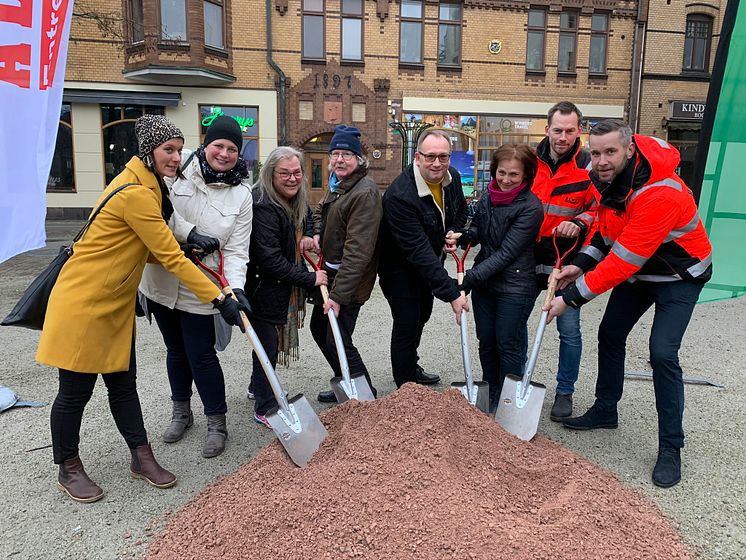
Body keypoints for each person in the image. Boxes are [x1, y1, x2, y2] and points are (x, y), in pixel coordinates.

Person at [36, 115, 246, 503]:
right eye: (168, 149)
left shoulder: (151, 185)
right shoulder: (136, 192)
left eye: (179, 149)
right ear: (147, 151)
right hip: (85, 302)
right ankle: (68, 467)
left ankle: (141, 457)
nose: (176, 157)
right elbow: (168, 257)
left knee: (123, 385)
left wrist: (187, 246)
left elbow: (149, 246)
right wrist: (219, 297)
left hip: (113, 302)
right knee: (74, 393)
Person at [545, 119, 713, 488]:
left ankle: (671, 446)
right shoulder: (602, 177)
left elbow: (624, 261)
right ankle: (606, 409)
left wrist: (570, 299)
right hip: (642, 272)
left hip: (678, 275)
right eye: (597, 152)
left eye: (611, 152)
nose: (601, 160)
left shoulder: (659, 192)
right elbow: (606, 235)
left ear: (629, 150)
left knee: (662, 353)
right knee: (610, 333)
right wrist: (580, 264)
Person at [139, 115, 253, 458]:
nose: (224, 153)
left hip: (203, 285)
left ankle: (216, 422)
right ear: (205, 144)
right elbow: (159, 213)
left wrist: (236, 289)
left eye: (232, 148)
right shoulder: (178, 166)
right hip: (162, 280)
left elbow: (236, 250)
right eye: (218, 145)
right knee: (175, 350)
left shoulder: (242, 193)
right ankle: (181, 412)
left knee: (201, 354)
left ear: (239, 154)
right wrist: (189, 233)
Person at [449, 144, 543, 413]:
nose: (506, 180)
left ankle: (510, 401)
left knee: (507, 342)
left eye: (514, 175)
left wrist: (468, 279)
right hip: (486, 285)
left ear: (525, 176)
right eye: (502, 172)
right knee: (486, 340)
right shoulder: (489, 196)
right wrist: (467, 235)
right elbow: (480, 226)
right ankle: (491, 392)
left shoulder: (531, 207)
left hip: (515, 285)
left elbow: (507, 253)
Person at [379, 129, 469, 388]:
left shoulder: (453, 178)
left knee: (423, 316)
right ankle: (405, 387)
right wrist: (452, 294)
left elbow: (461, 210)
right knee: (407, 321)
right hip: (399, 269)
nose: (437, 163)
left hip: (430, 263)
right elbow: (418, 251)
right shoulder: (400, 195)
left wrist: (452, 230)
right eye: (430, 157)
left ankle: (411, 366)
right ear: (417, 157)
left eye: (443, 156)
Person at [245, 146, 327, 425]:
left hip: (278, 286)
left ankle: (258, 385)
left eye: (297, 172)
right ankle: (265, 406)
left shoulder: (294, 198)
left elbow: (309, 216)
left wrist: (310, 235)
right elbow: (269, 260)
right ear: (270, 174)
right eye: (285, 173)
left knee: (266, 341)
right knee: (266, 343)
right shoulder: (263, 205)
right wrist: (310, 278)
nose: (292, 179)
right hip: (262, 286)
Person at [529, 101, 596, 421]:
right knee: (514, 324)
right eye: (558, 130)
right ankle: (512, 382)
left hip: (564, 260)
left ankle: (565, 391)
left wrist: (580, 221)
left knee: (569, 330)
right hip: (527, 257)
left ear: (579, 131)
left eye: (570, 131)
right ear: (547, 130)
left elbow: (600, 210)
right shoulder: (530, 162)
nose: (563, 137)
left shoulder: (589, 166)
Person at [311, 125, 381, 403]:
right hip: (331, 276)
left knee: (336, 336)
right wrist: (316, 231)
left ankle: (366, 396)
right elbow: (320, 211)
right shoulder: (338, 186)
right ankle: (346, 382)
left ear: (359, 160)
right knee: (321, 330)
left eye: (346, 155)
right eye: (335, 154)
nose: (339, 159)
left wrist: (339, 296)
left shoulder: (364, 193)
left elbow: (358, 251)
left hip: (350, 282)